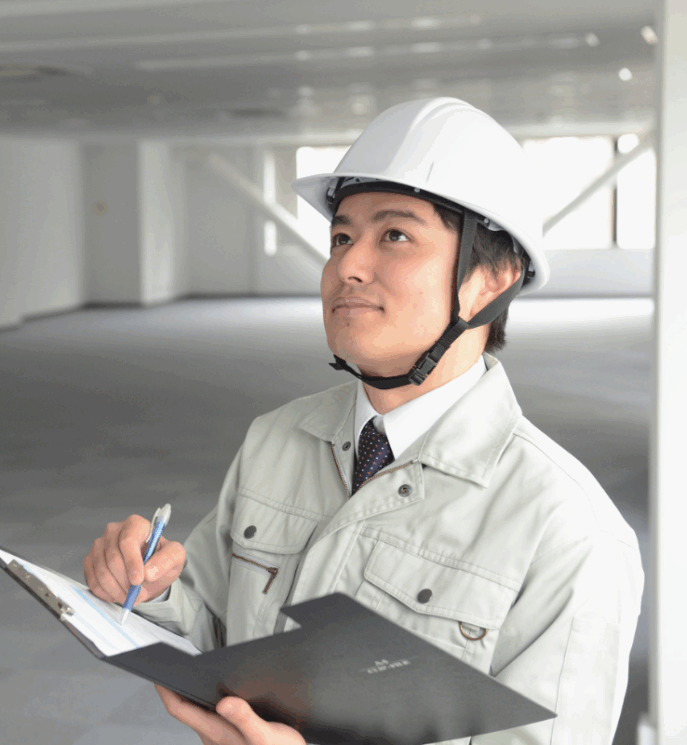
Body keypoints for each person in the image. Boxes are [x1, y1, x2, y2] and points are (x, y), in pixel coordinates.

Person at [82, 97, 644, 745]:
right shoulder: (275, 439)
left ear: (492, 278)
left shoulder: (570, 533)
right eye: (342, 236)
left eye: (395, 235)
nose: (347, 265)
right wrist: (144, 587)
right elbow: (210, 627)